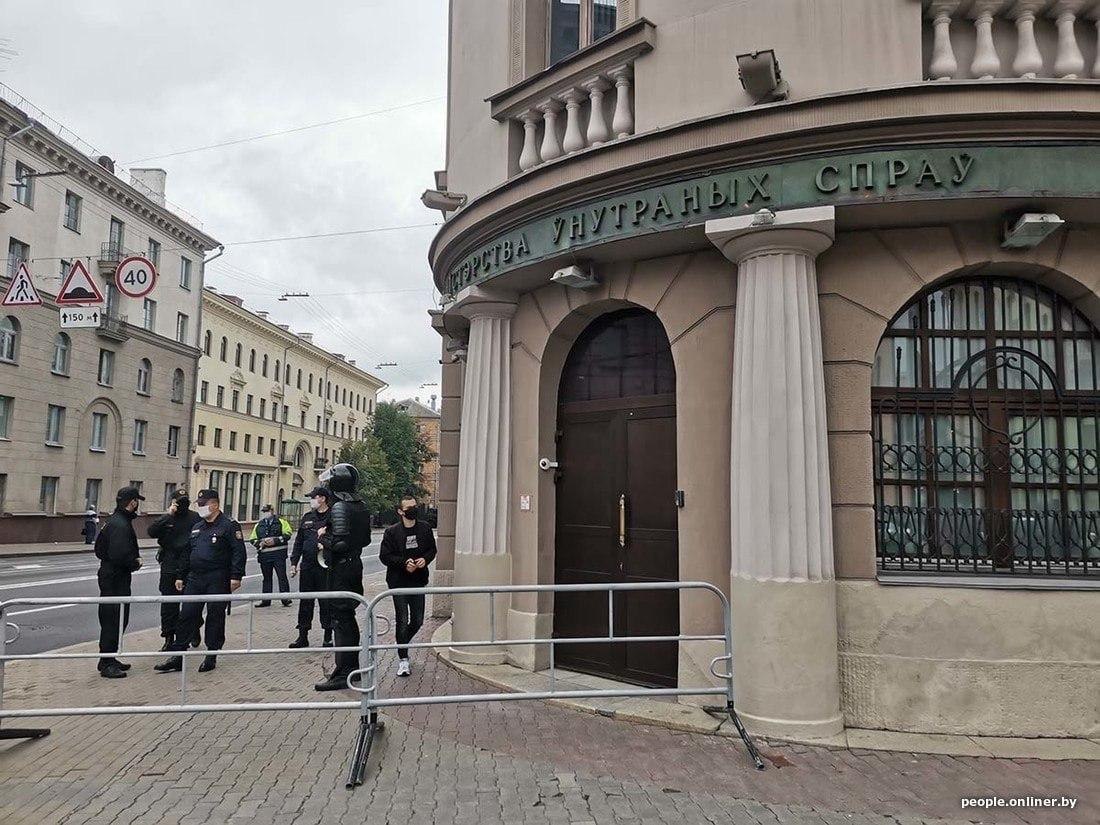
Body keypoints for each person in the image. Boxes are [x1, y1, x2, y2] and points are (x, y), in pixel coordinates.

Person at [155, 489, 246, 674]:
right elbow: (188, 553)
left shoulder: (229, 526)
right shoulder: (198, 527)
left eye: (204, 504)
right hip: (195, 578)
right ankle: (178, 655)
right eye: (199, 504)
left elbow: (238, 552)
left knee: (214, 617)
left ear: (215, 505)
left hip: (217, 578)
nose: (201, 507)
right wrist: (181, 575)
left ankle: (211, 654)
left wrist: (236, 576)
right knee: (186, 615)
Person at [313, 463, 372, 691]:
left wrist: (322, 537)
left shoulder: (340, 508)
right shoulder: (360, 505)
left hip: (341, 568)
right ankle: (349, 667)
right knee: (346, 617)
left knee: (341, 618)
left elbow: (339, 543)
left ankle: (344, 671)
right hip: (353, 565)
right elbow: (364, 539)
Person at [378, 495, 436, 677]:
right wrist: (404, 563)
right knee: (402, 619)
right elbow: (385, 556)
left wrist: (424, 560)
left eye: (414, 506)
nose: (413, 509)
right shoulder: (392, 532)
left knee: (418, 620)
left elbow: (432, 549)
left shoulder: (425, 528)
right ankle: (403, 658)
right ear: (400, 511)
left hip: (418, 580)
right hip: (399, 582)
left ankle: (402, 642)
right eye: (409, 507)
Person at [94, 486, 144, 678]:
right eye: (136, 501)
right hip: (116, 577)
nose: (137, 504)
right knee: (113, 619)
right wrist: (135, 563)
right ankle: (107, 662)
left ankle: (109, 657)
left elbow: (99, 549)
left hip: (111, 575)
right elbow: (119, 555)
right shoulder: (121, 524)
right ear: (132, 502)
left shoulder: (113, 521)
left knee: (115, 617)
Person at [147, 489, 203, 650]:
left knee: (190, 602)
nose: (181, 505)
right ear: (172, 502)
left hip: (189, 566)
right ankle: (169, 637)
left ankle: (194, 628)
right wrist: (168, 515)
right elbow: (151, 532)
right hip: (169, 565)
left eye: (184, 501)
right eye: (178, 501)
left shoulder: (194, 518)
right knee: (168, 604)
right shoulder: (168, 518)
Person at [288, 488, 334, 649]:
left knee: (325, 601)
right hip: (307, 566)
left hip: (325, 566)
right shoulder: (308, 518)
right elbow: (299, 542)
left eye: (313, 498)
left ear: (322, 498)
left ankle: (328, 635)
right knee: (305, 601)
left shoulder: (333, 517)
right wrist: (294, 562)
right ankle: (302, 635)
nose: (311, 501)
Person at [250, 504, 292, 607]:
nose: (265, 513)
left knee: (282, 577)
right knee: (266, 578)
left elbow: (288, 534)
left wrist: (275, 540)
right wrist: (260, 543)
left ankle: (285, 599)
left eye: (266, 511)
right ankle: (266, 600)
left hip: (279, 555)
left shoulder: (281, 522)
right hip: (265, 557)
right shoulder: (259, 524)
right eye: (263, 511)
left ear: (272, 511)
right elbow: (252, 539)